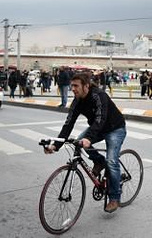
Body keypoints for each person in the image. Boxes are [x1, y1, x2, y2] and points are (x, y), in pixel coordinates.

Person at [44, 73, 126, 213]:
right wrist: (55, 145)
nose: (73, 89)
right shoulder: (77, 101)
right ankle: (99, 162)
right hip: (98, 128)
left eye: (76, 86)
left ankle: (114, 198)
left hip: (115, 128)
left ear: (86, 86)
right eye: (72, 86)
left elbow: (101, 118)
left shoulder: (99, 96)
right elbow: (68, 124)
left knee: (112, 161)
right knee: (79, 142)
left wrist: (89, 138)